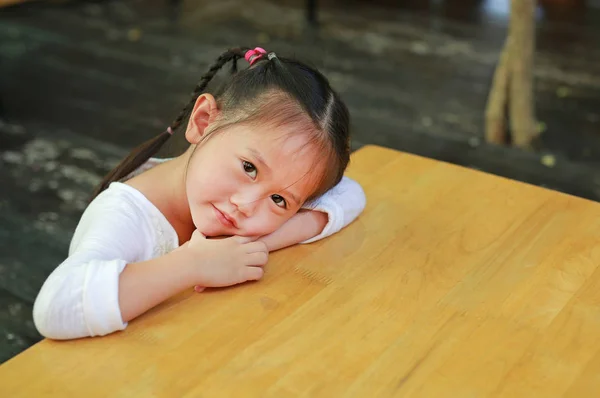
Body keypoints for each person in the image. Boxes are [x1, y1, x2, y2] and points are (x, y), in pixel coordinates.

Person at [33, 47, 366, 340]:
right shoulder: (125, 214)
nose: (246, 206)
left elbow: (351, 194)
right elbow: (55, 307)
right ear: (204, 121)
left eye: (279, 201)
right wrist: (191, 265)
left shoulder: (231, 208)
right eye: (249, 168)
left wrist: (250, 245)